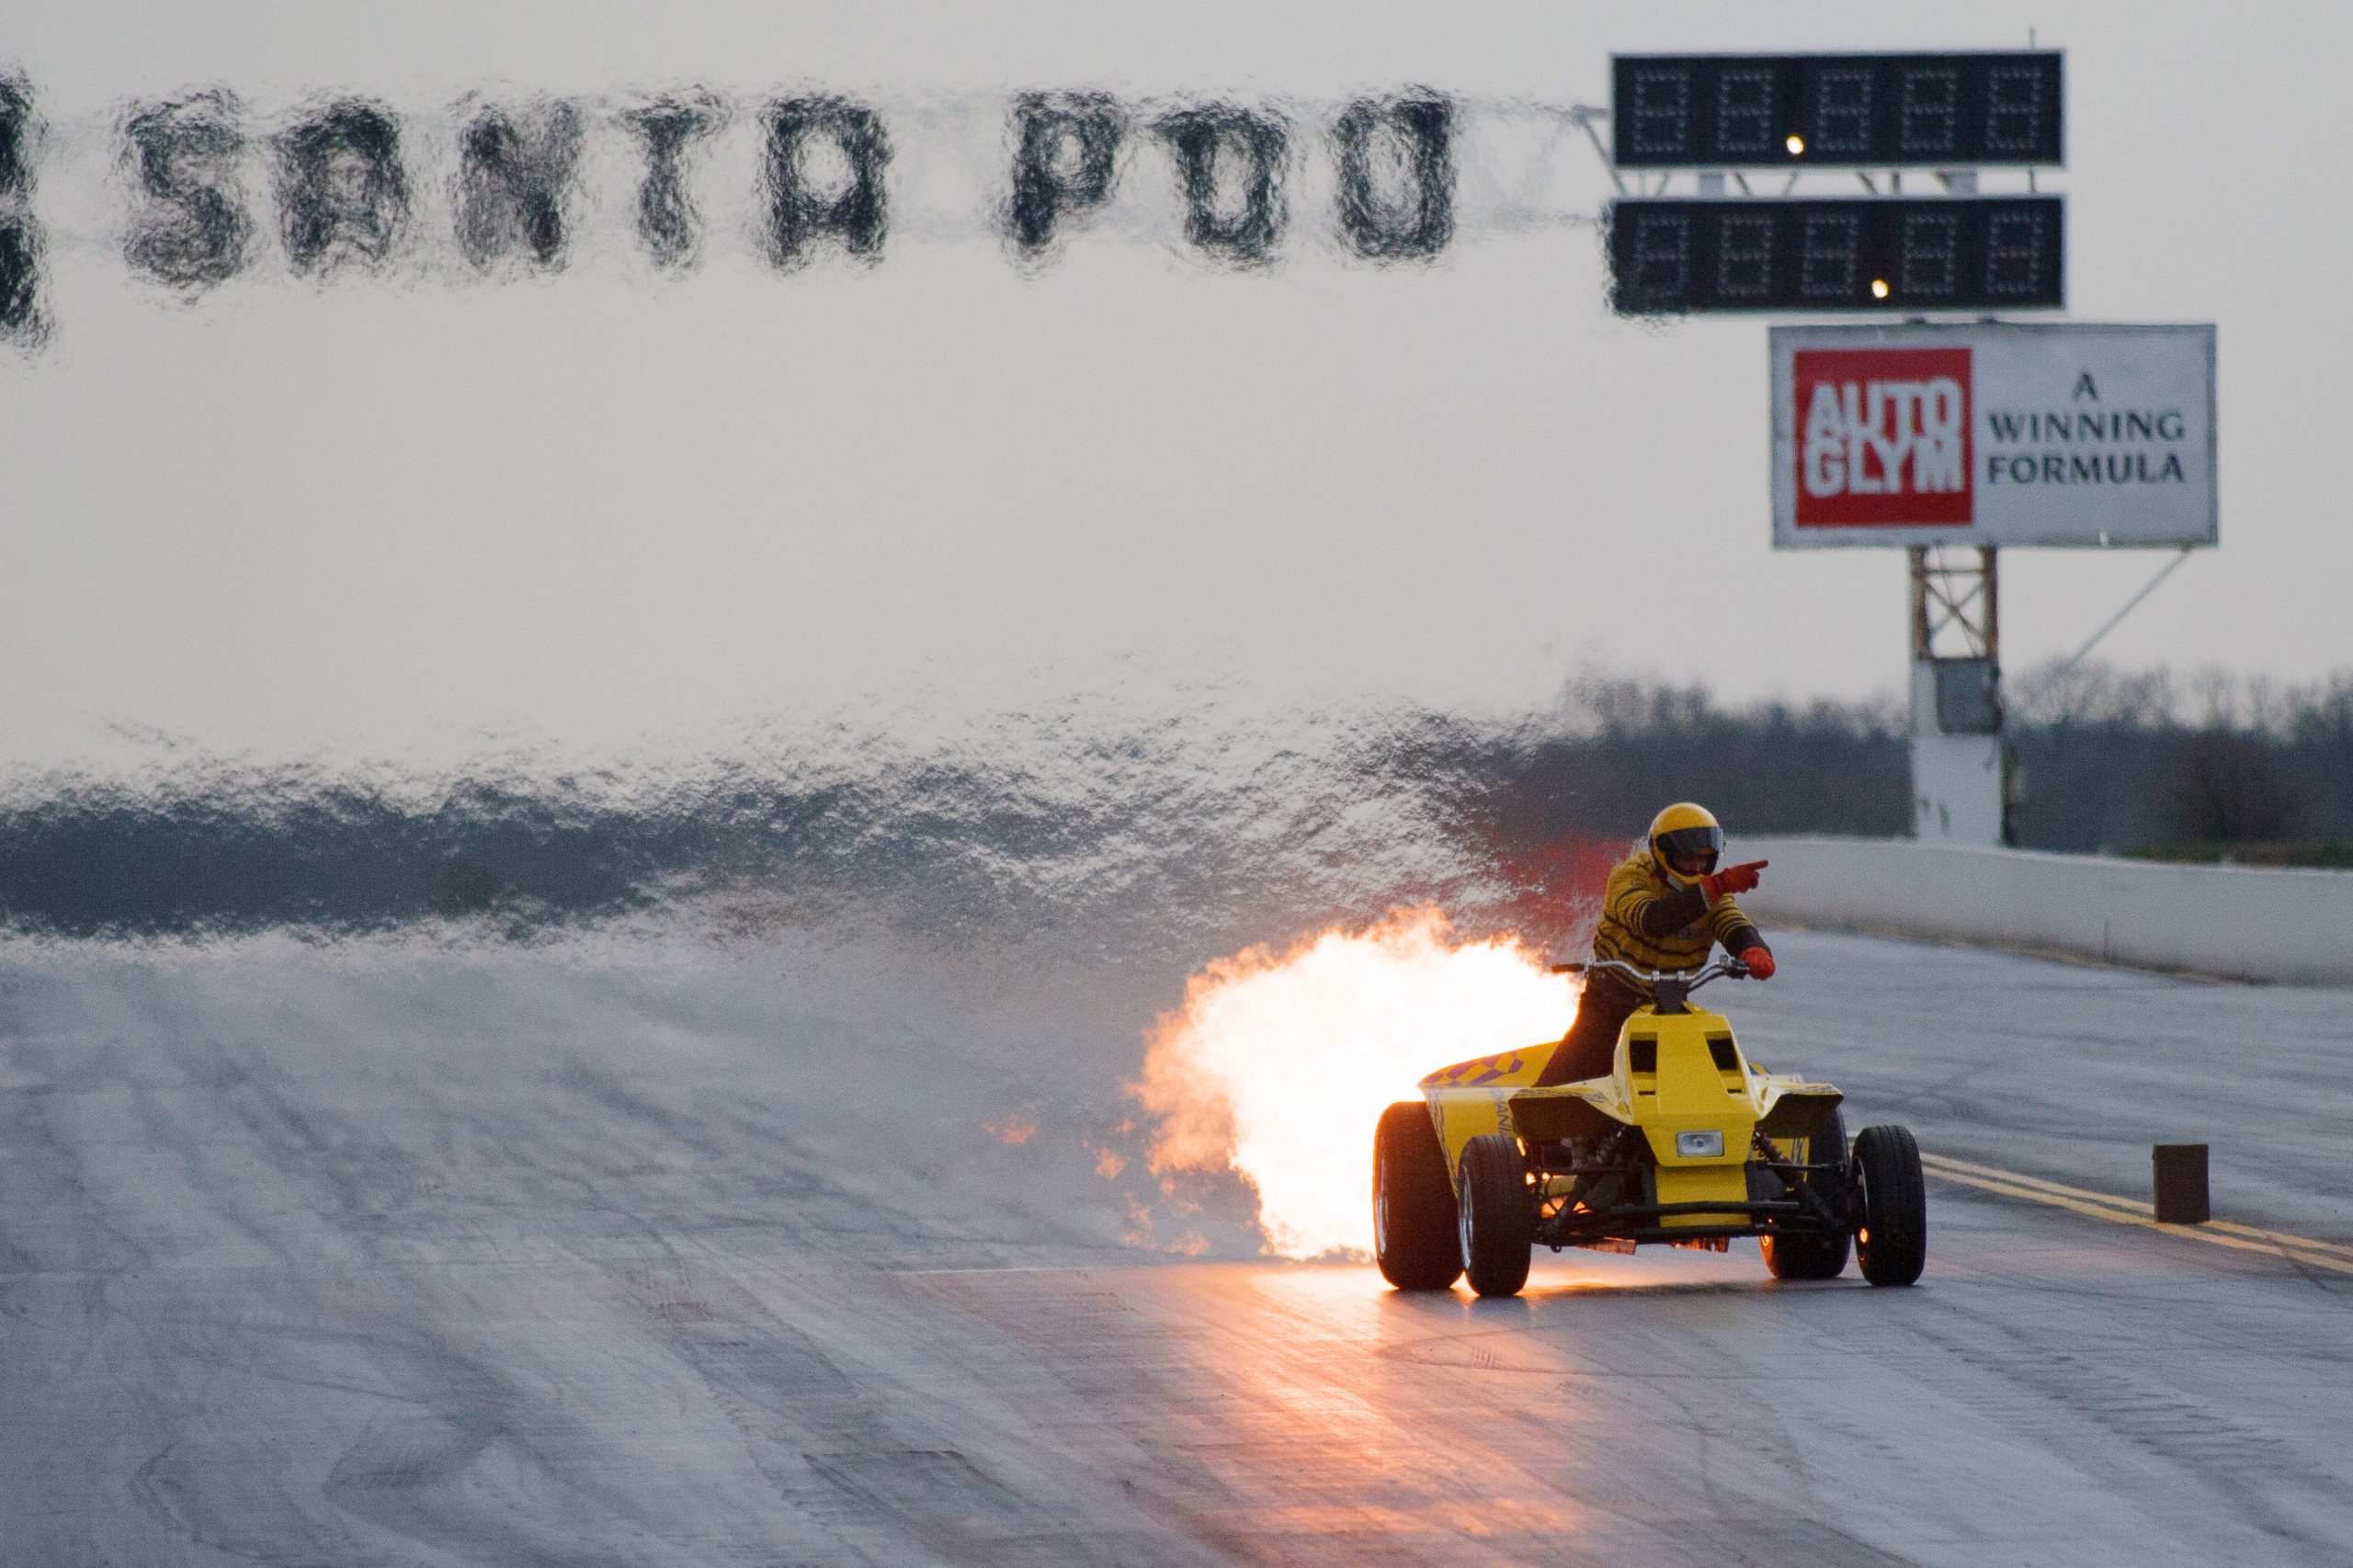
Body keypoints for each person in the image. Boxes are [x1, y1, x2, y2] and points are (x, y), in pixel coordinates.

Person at [1537, 802, 1776, 1086]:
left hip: (1670, 1003)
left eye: (1705, 859)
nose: (1698, 867)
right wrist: (1716, 886)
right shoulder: (1630, 877)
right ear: (1664, 855)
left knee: (1715, 1067)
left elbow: (1731, 921)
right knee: (1569, 1077)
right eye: (1688, 860)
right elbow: (1652, 921)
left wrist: (1753, 950)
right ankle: (1535, 1122)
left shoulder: (1714, 893)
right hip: (1611, 999)